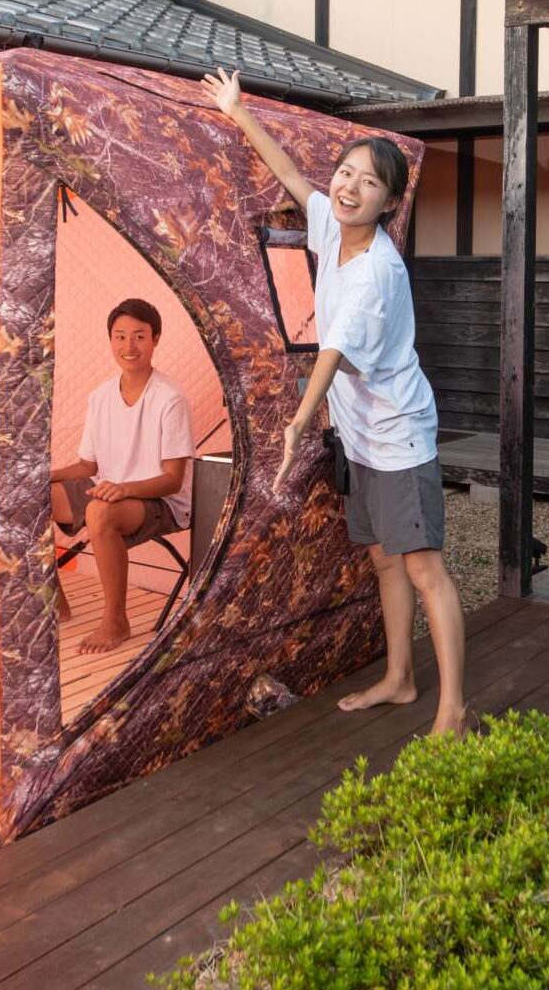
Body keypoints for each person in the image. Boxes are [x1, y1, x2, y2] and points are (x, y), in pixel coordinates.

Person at [203, 67, 467, 737]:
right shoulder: (332, 227)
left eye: (368, 181)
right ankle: (401, 677)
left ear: (389, 203)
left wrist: (296, 422)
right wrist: (238, 111)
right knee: (382, 558)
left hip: (399, 432)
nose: (348, 186)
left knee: (424, 566)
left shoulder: (377, 269)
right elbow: (294, 178)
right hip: (363, 433)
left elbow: (331, 353)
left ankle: (454, 708)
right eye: (346, 172)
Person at [50, 298, 196, 654]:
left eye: (139, 337)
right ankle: (53, 600)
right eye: (120, 337)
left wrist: (124, 488)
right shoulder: (100, 396)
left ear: (155, 339)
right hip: (110, 491)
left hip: (159, 500)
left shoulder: (169, 398)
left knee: (99, 511)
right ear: (110, 340)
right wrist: (43, 475)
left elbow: (173, 480)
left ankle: (116, 620)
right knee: (28, 495)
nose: (129, 347)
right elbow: (88, 466)